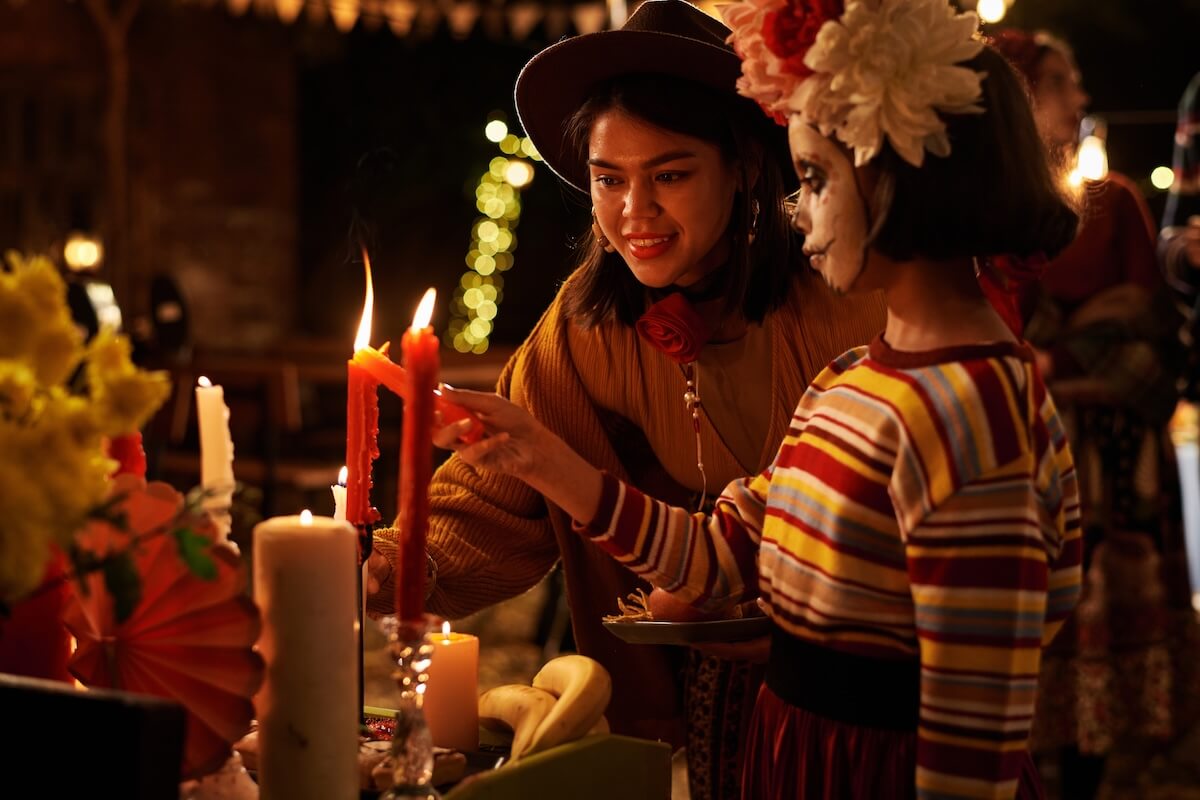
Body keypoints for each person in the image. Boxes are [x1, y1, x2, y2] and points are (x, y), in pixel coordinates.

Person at [432, 1, 1084, 796]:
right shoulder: (849, 381)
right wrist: (538, 458)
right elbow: (720, 554)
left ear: (905, 184)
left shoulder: (968, 411)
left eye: (813, 179)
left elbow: (976, 718)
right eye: (609, 178)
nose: (797, 209)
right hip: (797, 756)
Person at [366, 2, 885, 797]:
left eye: (670, 176)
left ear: (744, 168)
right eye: (609, 179)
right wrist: (391, 563)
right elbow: (499, 500)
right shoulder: (587, 326)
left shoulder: (846, 302)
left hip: (854, 694)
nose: (633, 212)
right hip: (696, 694)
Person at [992, 30, 1199, 798]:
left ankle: (1104, 769)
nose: (1079, 98)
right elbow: (1001, 330)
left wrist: (1056, 354)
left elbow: (1149, 322)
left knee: (1110, 618)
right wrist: (1080, 334)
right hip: (1041, 450)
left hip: (1116, 457)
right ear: (1021, 95)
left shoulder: (1113, 201)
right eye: (1061, 82)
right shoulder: (997, 208)